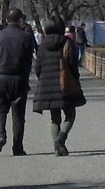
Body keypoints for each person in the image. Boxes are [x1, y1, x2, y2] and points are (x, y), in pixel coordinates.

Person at [33, 17, 86, 156]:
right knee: (70, 115)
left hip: (48, 84)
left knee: (54, 118)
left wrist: (43, 79)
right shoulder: (67, 42)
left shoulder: (43, 44)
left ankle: (57, 148)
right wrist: (76, 79)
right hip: (66, 84)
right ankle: (61, 139)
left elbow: (37, 66)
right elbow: (72, 64)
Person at [0, 8, 37, 156]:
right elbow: (29, 57)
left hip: (1, 76)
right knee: (18, 114)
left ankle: (0, 136)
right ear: (20, 20)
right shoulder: (26, 37)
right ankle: (17, 146)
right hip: (19, 77)